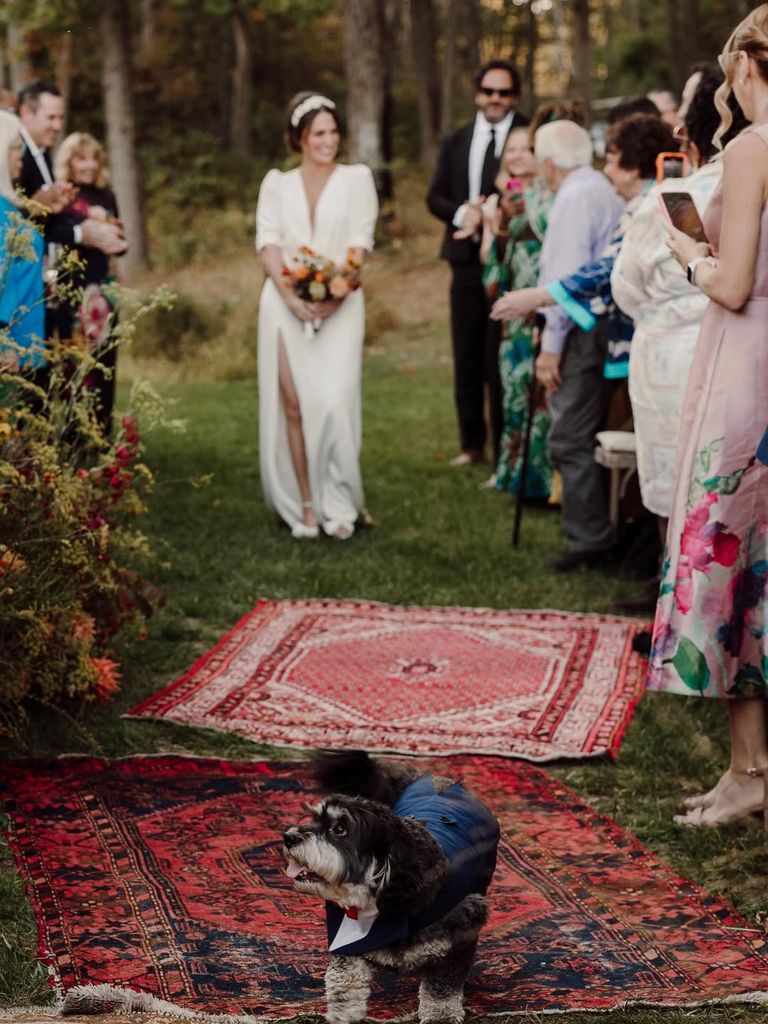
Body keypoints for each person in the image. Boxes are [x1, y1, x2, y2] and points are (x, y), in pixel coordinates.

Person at [648, 4, 768, 827]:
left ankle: (752, 768)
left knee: (727, 562)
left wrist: (689, 252)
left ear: (749, 62)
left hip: (746, 370)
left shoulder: (756, 145)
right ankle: (748, 769)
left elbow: (731, 285)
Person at [612, 66, 748, 605]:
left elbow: (628, 287)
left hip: (673, 355)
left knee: (677, 481)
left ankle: (681, 606)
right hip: (736, 347)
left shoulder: (679, 196)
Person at [493, 120, 623, 571]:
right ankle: (596, 531)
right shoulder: (599, 186)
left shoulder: (572, 196)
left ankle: (590, 541)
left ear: (549, 163)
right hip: (596, 327)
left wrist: (550, 346)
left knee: (568, 435)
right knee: (579, 431)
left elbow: (564, 281)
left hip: (580, 331)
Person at [255, 92, 378, 540]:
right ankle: (305, 503)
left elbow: (359, 242)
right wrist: (290, 296)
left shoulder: (356, 179)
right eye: (318, 133)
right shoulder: (277, 184)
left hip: (342, 304)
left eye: (333, 131)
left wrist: (338, 290)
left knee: (335, 403)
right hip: (283, 304)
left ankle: (340, 502)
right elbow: (268, 242)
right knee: (294, 404)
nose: (329, 141)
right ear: (300, 138)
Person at [427, 59, 528, 470]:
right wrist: (462, 216)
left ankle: (510, 446)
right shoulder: (456, 140)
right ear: (477, 94)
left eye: (503, 93)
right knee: (466, 354)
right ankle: (472, 443)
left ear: (514, 97)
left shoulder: (527, 136)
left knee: (498, 356)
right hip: (465, 262)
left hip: (511, 261)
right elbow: (434, 197)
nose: (495, 99)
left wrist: (492, 212)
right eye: (489, 91)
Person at [480, 123, 553, 497]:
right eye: (512, 149)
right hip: (513, 319)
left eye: (527, 148)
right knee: (512, 395)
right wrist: (500, 224)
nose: (518, 155)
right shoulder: (499, 203)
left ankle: (542, 482)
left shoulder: (552, 198)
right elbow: (492, 275)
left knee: (541, 399)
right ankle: (510, 473)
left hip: (545, 312)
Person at [54, 132, 122, 436]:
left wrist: (115, 237)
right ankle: (73, 433)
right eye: (82, 158)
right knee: (74, 363)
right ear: (69, 162)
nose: (89, 165)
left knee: (104, 362)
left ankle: (101, 431)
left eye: (94, 158)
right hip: (73, 289)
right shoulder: (63, 195)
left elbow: (120, 243)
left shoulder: (106, 196)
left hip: (103, 289)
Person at [0, 110, 45, 387]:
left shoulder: (10, 208)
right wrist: (3, 342)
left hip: (29, 343)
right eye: (17, 147)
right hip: (12, 351)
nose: (22, 156)